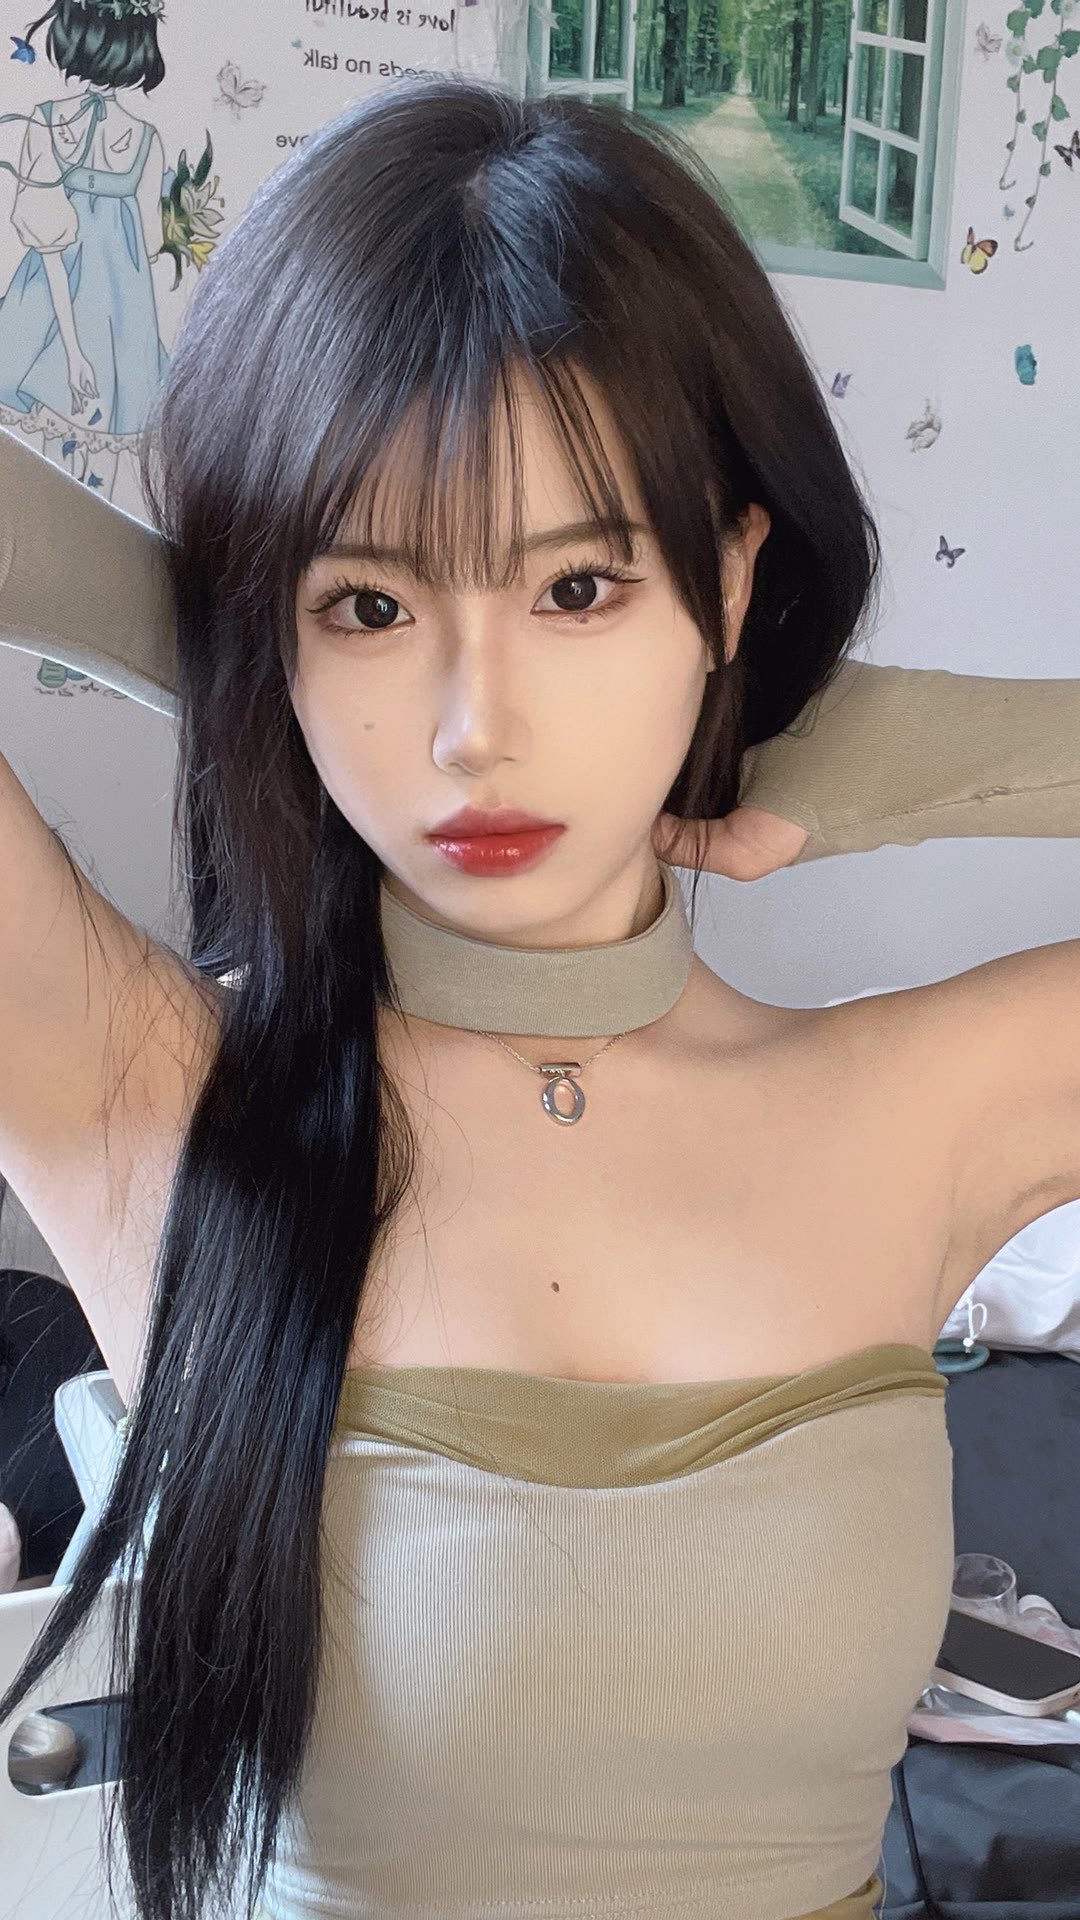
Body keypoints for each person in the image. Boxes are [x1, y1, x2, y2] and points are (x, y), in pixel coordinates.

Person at [0, 75, 1078, 1920]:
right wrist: (208, 626)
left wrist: (858, 753)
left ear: (727, 577)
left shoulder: (927, 1102)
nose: (469, 730)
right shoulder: (147, 1092)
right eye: (369, 609)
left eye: (578, 587)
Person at [0, 0, 169, 501]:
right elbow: (150, 244)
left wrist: (75, 351)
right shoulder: (146, 140)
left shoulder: (47, 120)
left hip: (63, 300)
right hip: (116, 309)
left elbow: (48, 242)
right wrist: (76, 351)